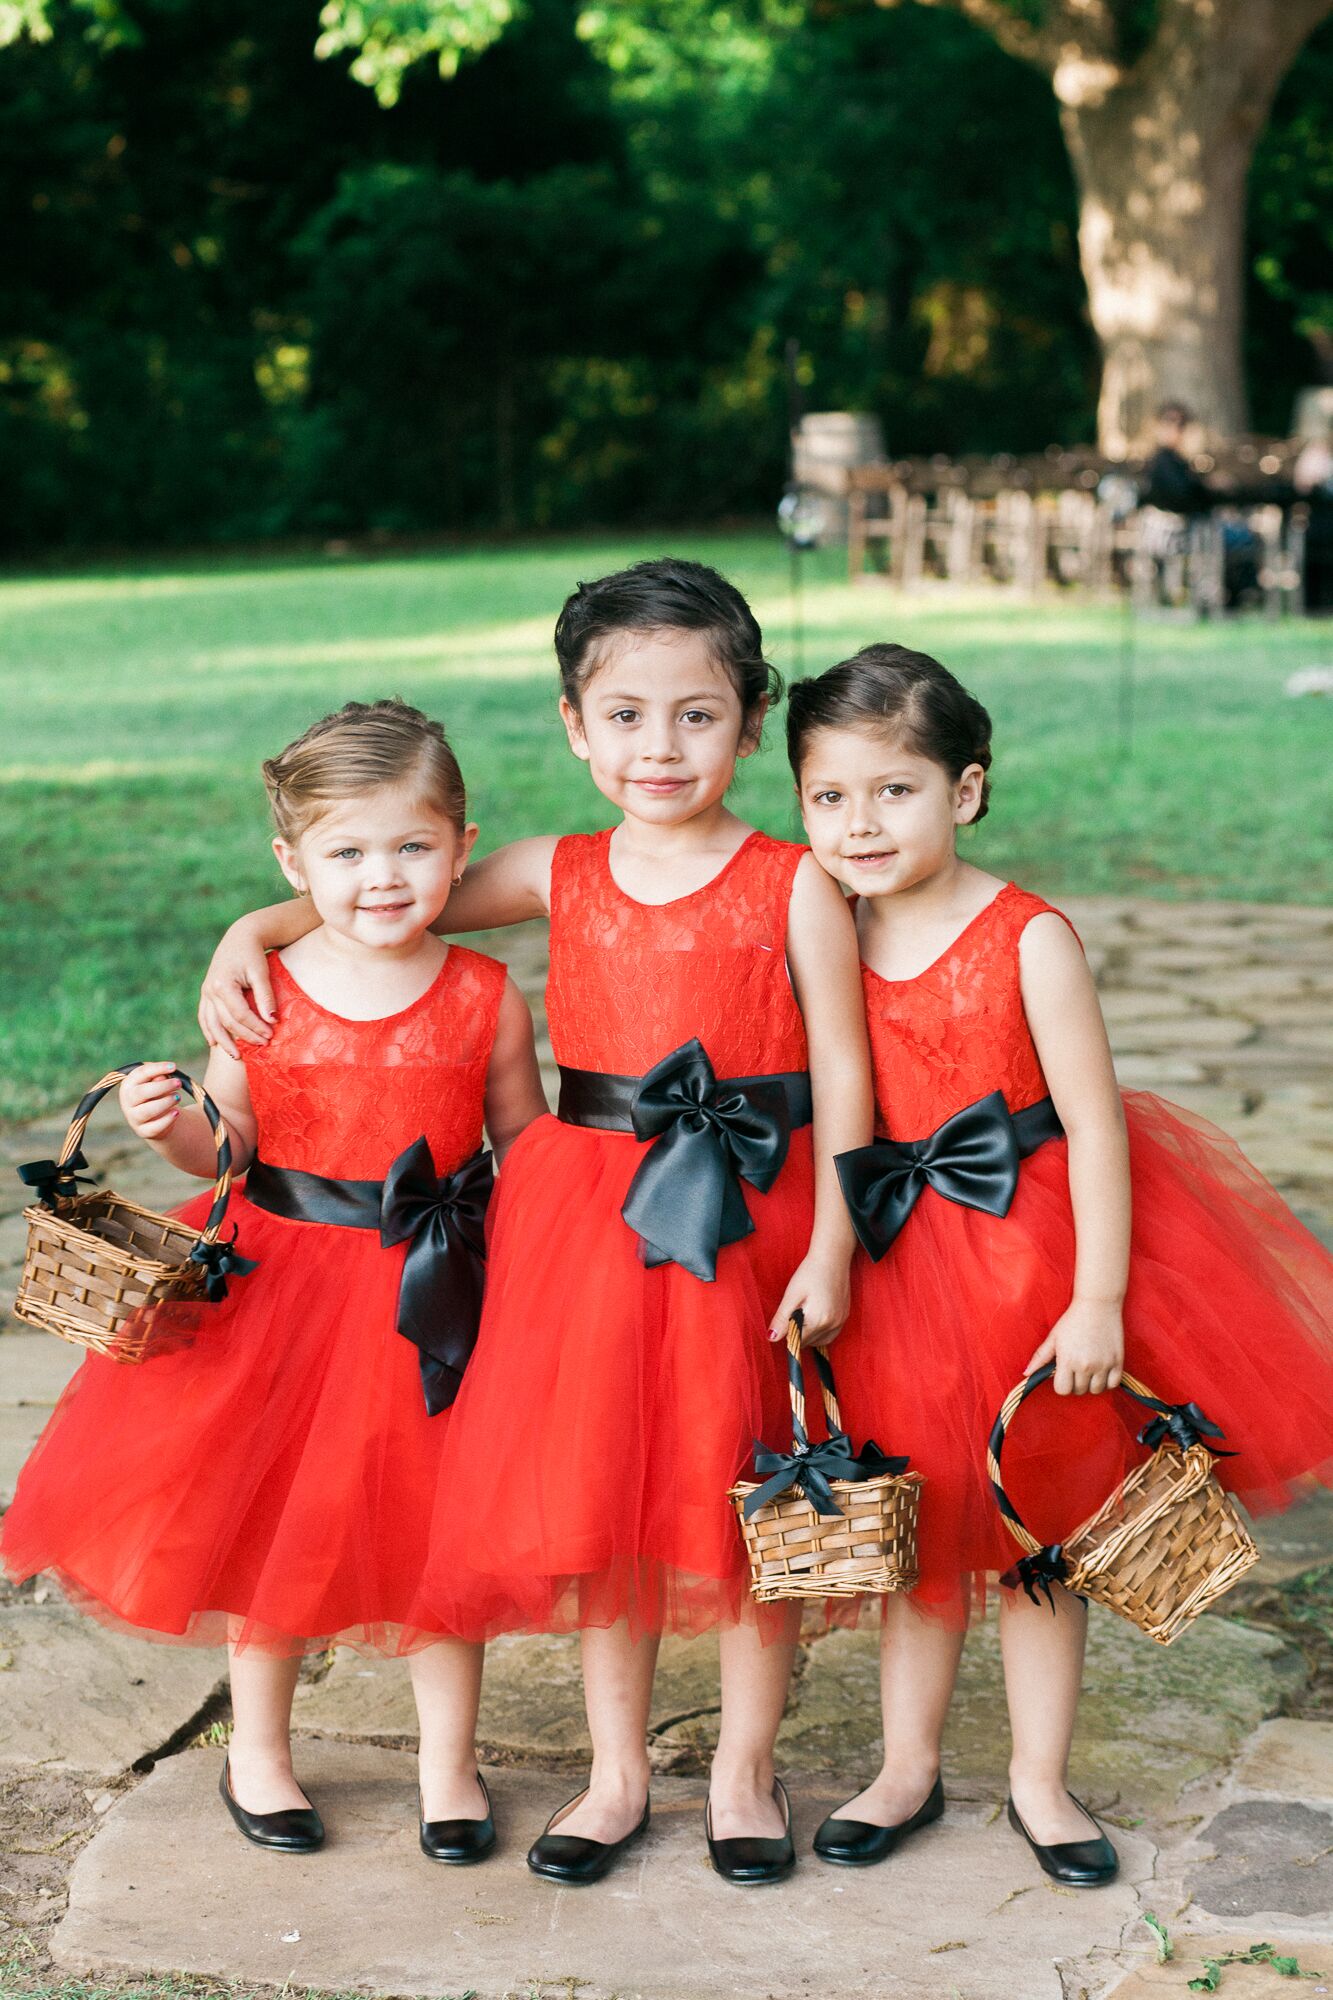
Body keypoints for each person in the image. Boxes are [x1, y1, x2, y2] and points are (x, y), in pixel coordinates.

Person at [198, 559, 872, 1887]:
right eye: (623, 714)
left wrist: (835, 1242)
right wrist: (249, 924)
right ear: (574, 724)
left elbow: (847, 1072)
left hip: (753, 1214)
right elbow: (396, 886)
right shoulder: (560, 869)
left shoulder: (793, 880)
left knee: (745, 1489)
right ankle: (613, 1773)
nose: (660, 746)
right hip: (592, 1219)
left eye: (697, 713)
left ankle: (742, 1767)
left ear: (748, 717)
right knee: (601, 1486)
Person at [786, 644, 1333, 1885]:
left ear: (964, 791)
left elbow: (1092, 1120)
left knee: (1046, 1526)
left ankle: (1039, 1778)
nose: (859, 823)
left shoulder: (1026, 936)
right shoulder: (829, 931)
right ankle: (904, 1764)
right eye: (829, 796)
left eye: (894, 790)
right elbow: (838, 1104)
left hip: (1032, 1253)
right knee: (914, 1520)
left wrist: (1096, 1296)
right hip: (896, 1259)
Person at [3, 700, 546, 1861]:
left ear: (461, 843)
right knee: (272, 1521)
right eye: (346, 853)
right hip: (283, 1283)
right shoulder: (266, 989)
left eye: (412, 846)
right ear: (292, 864)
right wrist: (173, 1132)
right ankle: (260, 1749)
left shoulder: (485, 993)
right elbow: (230, 1145)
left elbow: (525, 1142)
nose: (383, 876)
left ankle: (450, 1762)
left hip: (440, 1288)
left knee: (445, 1530)